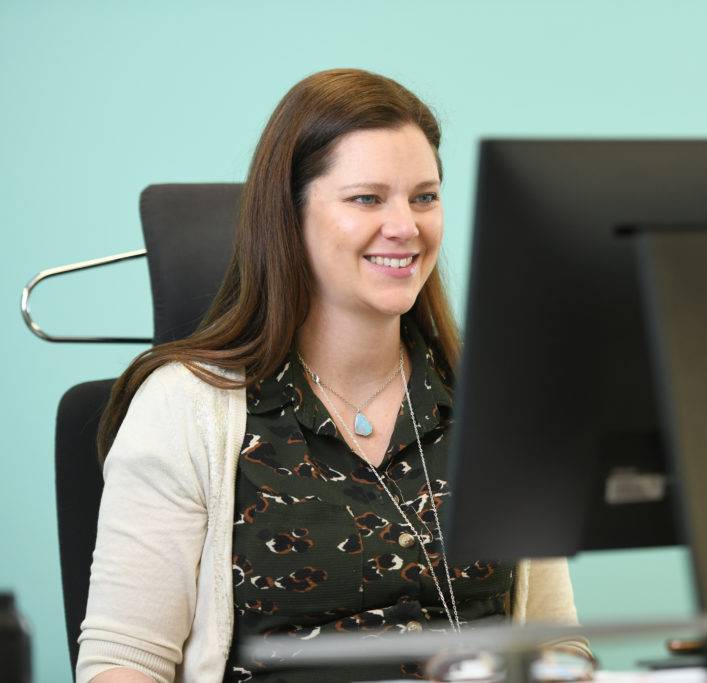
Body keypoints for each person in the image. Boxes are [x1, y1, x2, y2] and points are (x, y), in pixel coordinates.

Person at [77, 68, 588, 683]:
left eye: (424, 196)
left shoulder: (492, 400)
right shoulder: (186, 406)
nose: (406, 226)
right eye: (367, 198)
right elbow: (122, 665)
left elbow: (558, 643)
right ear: (290, 215)